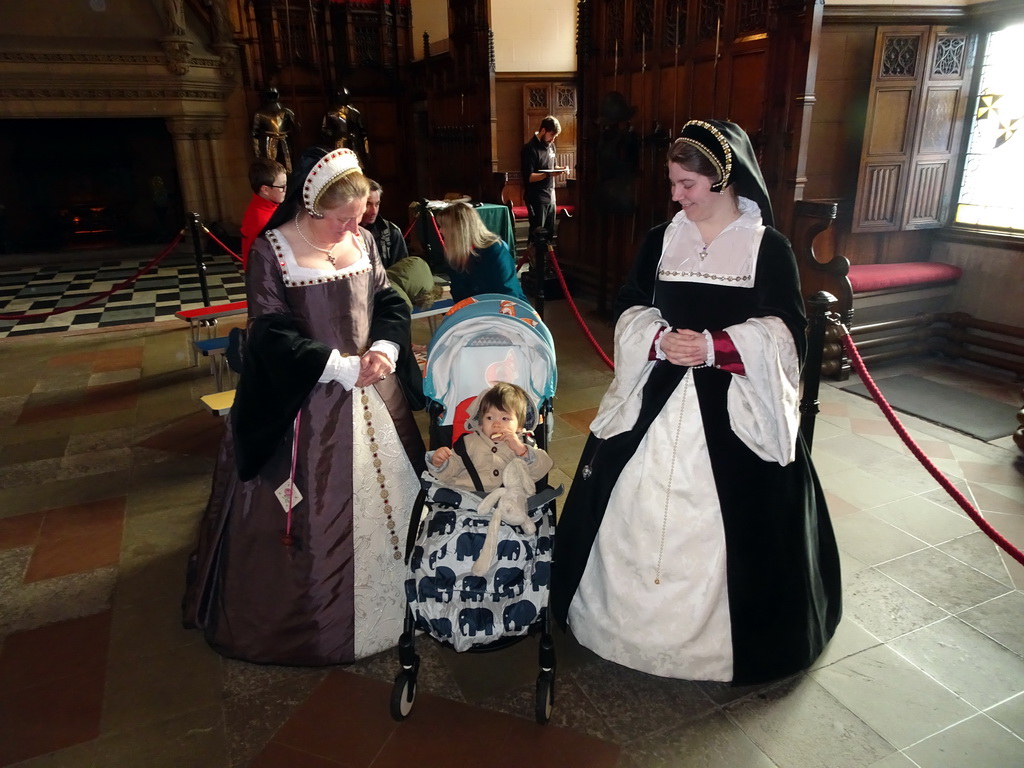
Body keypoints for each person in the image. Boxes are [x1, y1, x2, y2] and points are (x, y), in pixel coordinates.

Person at [551, 119, 842, 686]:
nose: (677, 195)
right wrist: (659, 339)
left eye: (687, 184)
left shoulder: (768, 248)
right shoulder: (663, 238)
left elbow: (786, 332)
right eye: (674, 183)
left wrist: (717, 347)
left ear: (723, 178)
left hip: (734, 404)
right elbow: (631, 303)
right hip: (658, 388)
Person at [182, 147, 427, 666]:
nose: (353, 228)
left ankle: (418, 597)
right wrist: (334, 365)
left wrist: (384, 348)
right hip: (304, 401)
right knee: (309, 510)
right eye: (344, 218)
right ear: (314, 207)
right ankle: (321, 618)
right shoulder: (273, 251)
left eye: (359, 216)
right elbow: (269, 332)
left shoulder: (361, 240)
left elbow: (387, 298)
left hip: (375, 392)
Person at [427, 382, 552, 492]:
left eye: (505, 418)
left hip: (507, 502)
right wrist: (440, 463)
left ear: (520, 426)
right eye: (489, 418)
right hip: (468, 496)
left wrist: (522, 450)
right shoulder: (468, 442)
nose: (496, 424)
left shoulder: (523, 445)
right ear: (480, 424)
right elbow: (451, 470)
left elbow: (542, 468)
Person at [433, 201, 526, 303]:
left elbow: (509, 293)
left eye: (444, 226)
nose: (440, 231)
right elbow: (459, 295)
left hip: (507, 310)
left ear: (460, 229)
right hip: (476, 312)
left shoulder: (494, 250)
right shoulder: (455, 254)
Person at [520, 115, 568, 246]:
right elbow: (529, 177)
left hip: (551, 196)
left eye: (555, 137)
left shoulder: (551, 147)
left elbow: (552, 167)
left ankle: (546, 265)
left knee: (549, 234)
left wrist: (561, 169)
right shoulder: (530, 149)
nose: (552, 139)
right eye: (551, 135)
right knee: (537, 234)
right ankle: (535, 265)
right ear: (543, 131)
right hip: (536, 198)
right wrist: (548, 175)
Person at [239, 158, 286, 270]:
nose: (285, 190)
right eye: (282, 187)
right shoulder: (260, 218)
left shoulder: (270, 206)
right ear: (265, 190)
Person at [361, 179, 408, 270]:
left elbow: (402, 272)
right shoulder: (343, 232)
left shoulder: (392, 232)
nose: (374, 211)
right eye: (368, 204)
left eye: (377, 204)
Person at [321, 88, 370, 168]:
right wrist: (335, 134)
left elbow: (362, 131)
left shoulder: (354, 113)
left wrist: (356, 138)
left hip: (352, 143)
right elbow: (324, 130)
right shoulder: (330, 113)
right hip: (337, 143)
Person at [252, 88, 298, 172]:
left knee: (289, 166)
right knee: (271, 167)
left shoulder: (287, 111)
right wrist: (257, 150)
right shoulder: (260, 113)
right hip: (269, 140)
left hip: (285, 139)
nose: (272, 97)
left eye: (274, 95)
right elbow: (255, 133)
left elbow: (297, 128)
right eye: (270, 95)